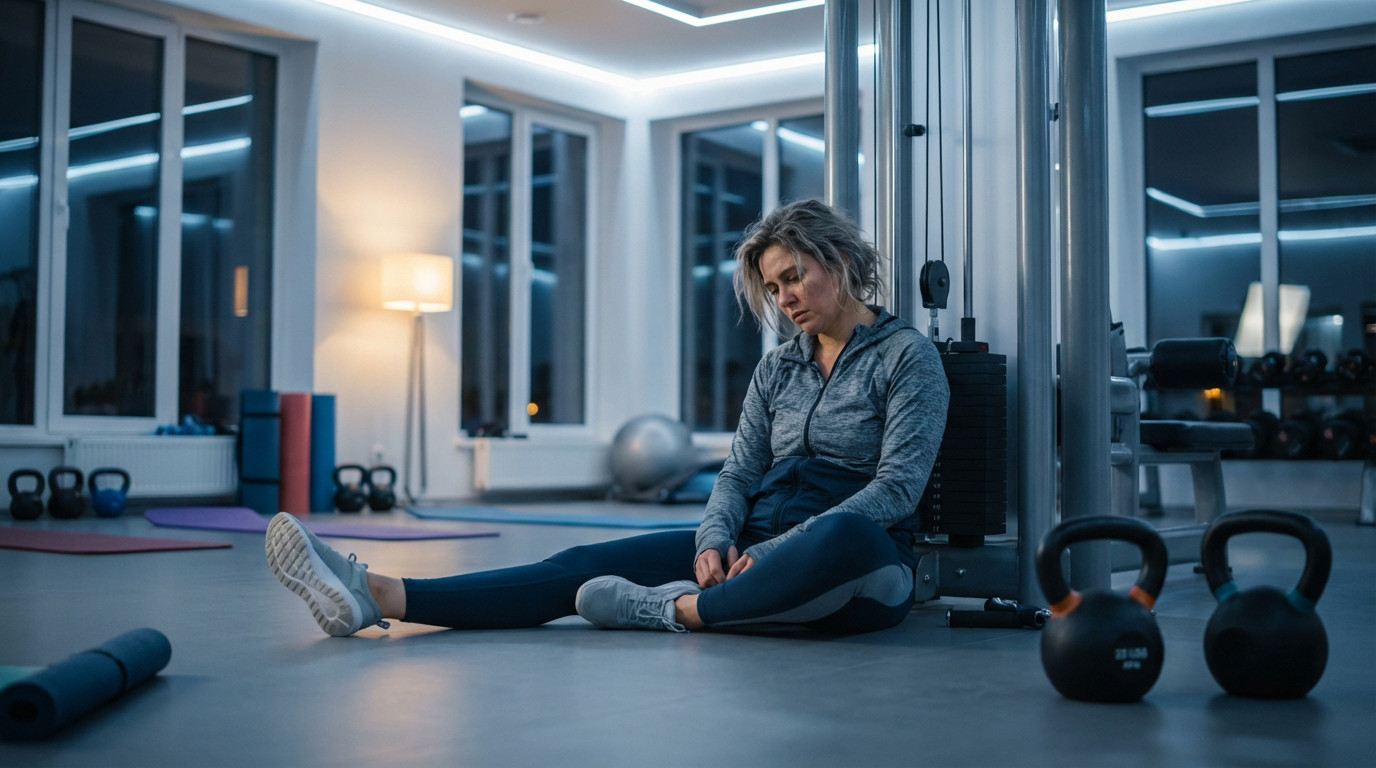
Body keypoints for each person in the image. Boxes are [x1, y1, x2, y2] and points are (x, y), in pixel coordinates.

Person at [265, 198, 950, 637]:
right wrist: (715, 539)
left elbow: (896, 490)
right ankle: (379, 594)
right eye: (773, 287)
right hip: (755, 539)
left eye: (794, 276)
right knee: (583, 561)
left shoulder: (906, 357)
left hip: (855, 560)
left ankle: (671, 610)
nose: (785, 297)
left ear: (839, 260)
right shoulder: (779, 368)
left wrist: (772, 553)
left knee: (846, 539)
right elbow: (740, 471)